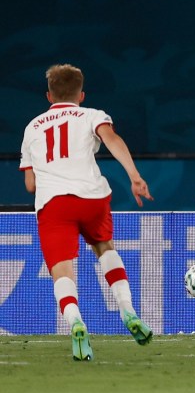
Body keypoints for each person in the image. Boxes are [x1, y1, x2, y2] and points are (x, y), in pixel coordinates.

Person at [19, 64, 154, 361]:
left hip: (54, 204)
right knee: (105, 248)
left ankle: (76, 322)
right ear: (81, 94)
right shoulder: (92, 114)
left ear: (48, 95)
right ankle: (128, 310)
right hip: (92, 197)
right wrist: (134, 175)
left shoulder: (32, 127)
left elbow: (30, 184)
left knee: (61, 270)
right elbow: (112, 140)